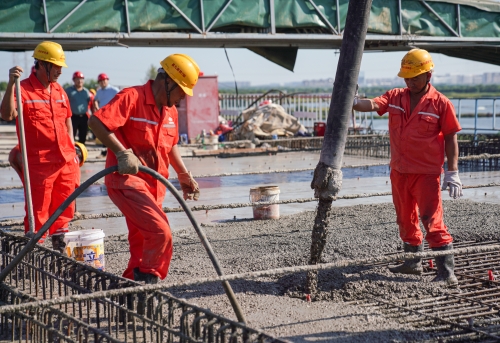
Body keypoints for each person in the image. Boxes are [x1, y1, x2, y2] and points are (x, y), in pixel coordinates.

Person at [88, 54, 201, 284]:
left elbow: (170, 146)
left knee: (143, 242)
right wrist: (121, 152)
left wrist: (183, 175)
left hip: (153, 188)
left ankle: (129, 290)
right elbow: (96, 122)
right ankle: (147, 284)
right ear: (167, 81)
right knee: (161, 233)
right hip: (126, 182)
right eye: (181, 91)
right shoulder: (132, 97)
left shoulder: (170, 111)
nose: (181, 99)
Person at [353, 49, 462, 286]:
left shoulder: (441, 103)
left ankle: (447, 273)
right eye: (407, 77)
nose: (410, 82)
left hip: (426, 174)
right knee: (405, 218)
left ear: (428, 75)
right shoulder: (395, 97)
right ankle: (412, 263)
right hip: (399, 171)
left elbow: (452, 137)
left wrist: (452, 173)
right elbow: (371, 104)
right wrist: (351, 101)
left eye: (415, 77)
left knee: (431, 220)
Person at [0, 41, 80, 253]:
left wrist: (72, 152)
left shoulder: (59, 90)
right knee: (38, 212)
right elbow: (7, 115)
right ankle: (35, 251)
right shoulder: (22, 89)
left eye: (60, 66)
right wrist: (10, 84)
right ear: (42, 65)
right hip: (40, 163)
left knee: (64, 209)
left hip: (65, 161)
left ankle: (60, 249)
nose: (60, 71)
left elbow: (68, 121)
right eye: (56, 66)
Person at [65, 71, 93, 144]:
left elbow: (91, 103)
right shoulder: (68, 91)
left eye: (81, 79)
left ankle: (81, 152)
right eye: (77, 79)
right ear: (74, 80)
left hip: (84, 117)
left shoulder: (86, 92)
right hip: (73, 117)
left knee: (83, 136)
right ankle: (71, 152)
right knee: (71, 135)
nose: (79, 81)